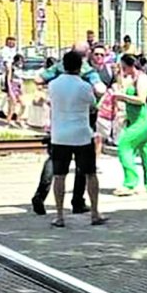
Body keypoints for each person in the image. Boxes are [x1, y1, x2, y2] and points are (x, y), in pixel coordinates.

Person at [47, 50, 106, 228]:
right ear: (80, 66)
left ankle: (59, 215)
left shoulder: (53, 85)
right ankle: (95, 213)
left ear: (63, 65)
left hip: (59, 135)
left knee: (59, 176)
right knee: (90, 174)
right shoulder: (84, 86)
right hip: (81, 135)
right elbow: (92, 106)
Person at [113, 54, 147, 196]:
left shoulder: (142, 78)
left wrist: (122, 97)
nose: (122, 69)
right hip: (135, 120)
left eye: (124, 67)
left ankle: (130, 182)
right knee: (146, 151)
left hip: (143, 120)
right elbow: (121, 86)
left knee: (124, 146)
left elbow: (141, 99)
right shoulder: (130, 78)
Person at [6, 54, 25, 127]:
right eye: (19, 61)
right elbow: (8, 79)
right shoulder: (12, 67)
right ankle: (8, 121)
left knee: (23, 105)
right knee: (12, 106)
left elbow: (21, 79)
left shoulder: (20, 68)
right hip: (13, 86)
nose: (21, 62)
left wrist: (22, 87)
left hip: (19, 87)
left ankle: (18, 119)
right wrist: (10, 90)